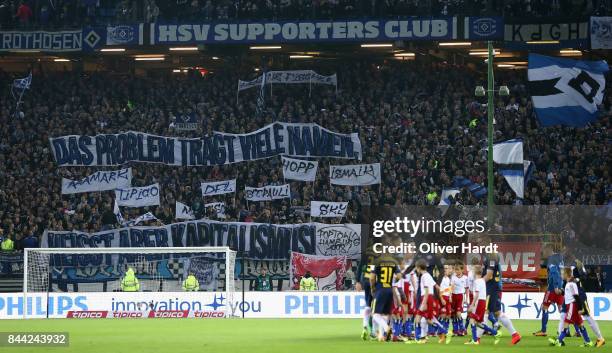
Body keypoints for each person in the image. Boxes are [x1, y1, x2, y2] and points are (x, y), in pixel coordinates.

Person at [548, 268, 594, 347]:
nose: (562, 275)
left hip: (572, 306)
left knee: (566, 323)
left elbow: (576, 296)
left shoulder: (571, 284)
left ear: (567, 274)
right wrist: (560, 292)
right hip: (573, 306)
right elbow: (569, 294)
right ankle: (588, 342)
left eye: (563, 273)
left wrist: (580, 308)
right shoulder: (569, 283)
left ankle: (559, 341)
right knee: (580, 325)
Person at [483, 252, 521, 345]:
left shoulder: (491, 258)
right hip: (494, 289)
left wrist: (479, 282)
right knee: (497, 312)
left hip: (491, 289)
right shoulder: (493, 258)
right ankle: (515, 334)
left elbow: (489, 275)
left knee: (486, 312)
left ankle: (476, 339)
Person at [410, 259, 450, 345]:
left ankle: (419, 339)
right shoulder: (428, 275)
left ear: (419, 268)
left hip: (426, 298)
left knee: (418, 318)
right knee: (429, 319)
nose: (416, 270)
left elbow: (427, 289)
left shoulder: (424, 276)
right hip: (429, 298)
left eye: (416, 268)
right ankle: (424, 337)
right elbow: (437, 286)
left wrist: (424, 303)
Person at [464, 264, 500, 345]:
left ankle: (474, 340)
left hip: (479, 302)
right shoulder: (482, 281)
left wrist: (472, 305)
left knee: (472, 320)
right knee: (478, 323)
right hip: (482, 302)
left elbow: (476, 295)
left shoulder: (477, 282)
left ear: (474, 272)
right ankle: (495, 333)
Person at [534, 247, 564, 337]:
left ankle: (543, 330)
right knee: (562, 310)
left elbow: (554, 273)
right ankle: (569, 330)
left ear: (549, 251)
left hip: (552, 289)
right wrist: (559, 286)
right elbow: (561, 273)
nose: (543, 253)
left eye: (544, 251)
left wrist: (555, 286)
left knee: (544, 307)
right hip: (560, 287)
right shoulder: (560, 259)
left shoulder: (551, 259)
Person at [451, 261, 468, 336]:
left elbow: (467, 288)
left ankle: (462, 329)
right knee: (453, 314)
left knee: (458, 313)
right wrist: (450, 295)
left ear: (462, 270)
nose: (456, 271)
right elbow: (451, 287)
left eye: (458, 269)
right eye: (455, 269)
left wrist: (466, 298)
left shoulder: (465, 278)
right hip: (453, 296)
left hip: (460, 296)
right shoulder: (453, 277)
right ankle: (455, 330)